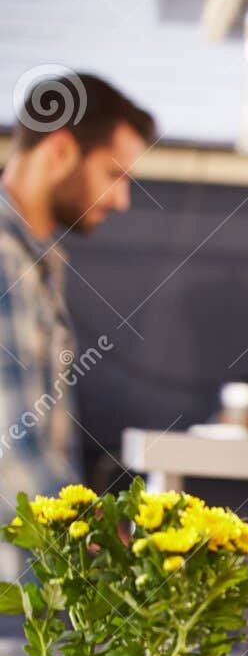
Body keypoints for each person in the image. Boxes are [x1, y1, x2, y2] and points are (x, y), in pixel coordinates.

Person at [1, 71, 154, 553]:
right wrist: (103, 544)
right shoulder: (4, 258)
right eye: (114, 176)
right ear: (61, 151)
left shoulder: (39, 262)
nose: (122, 200)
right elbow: (9, 455)